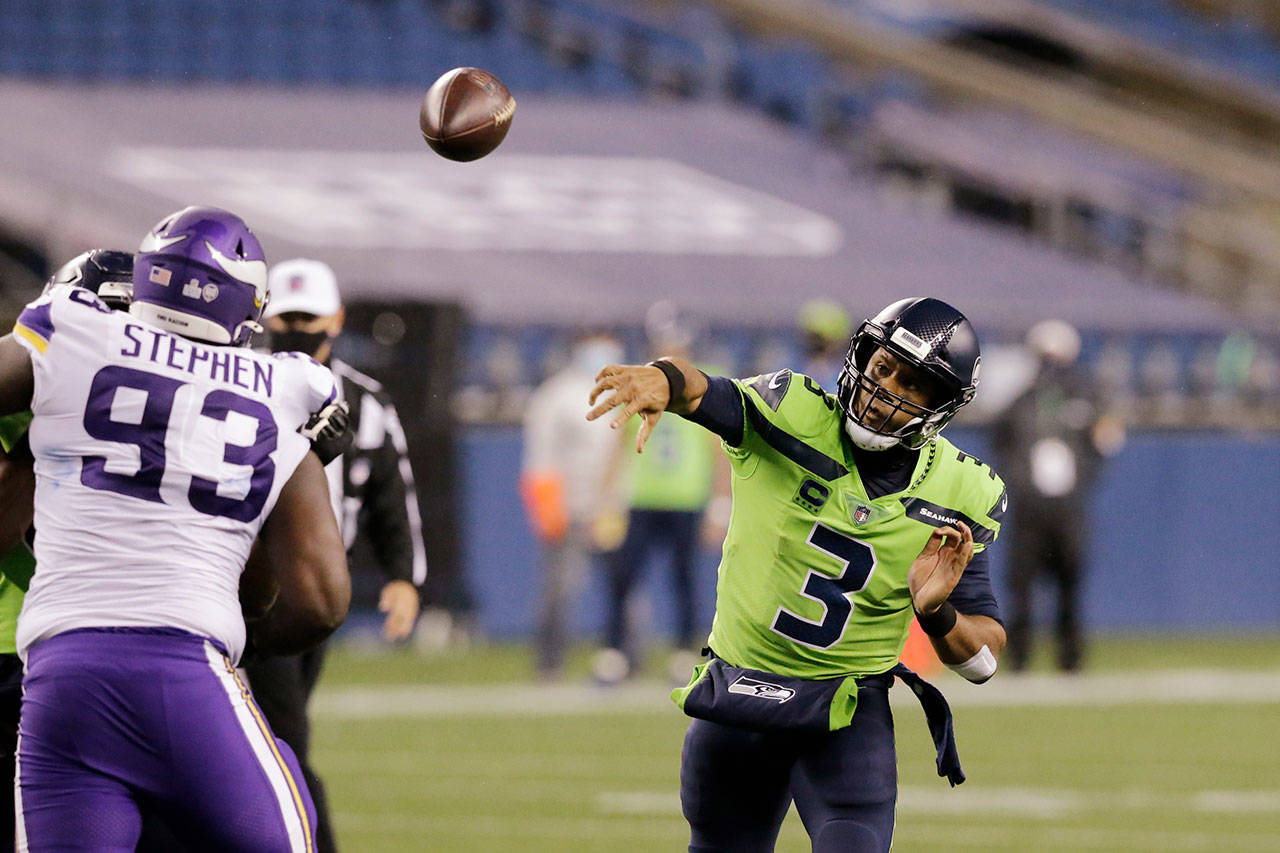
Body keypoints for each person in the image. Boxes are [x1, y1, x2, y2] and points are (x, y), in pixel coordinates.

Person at [588, 297, 1008, 853]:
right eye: (882, 368)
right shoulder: (791, 409)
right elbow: (701, 390)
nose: (885, 392)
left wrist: (936, 612)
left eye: (911, 385)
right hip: (740, 696)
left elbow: (983, 660)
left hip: (846, 715)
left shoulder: (961, 492)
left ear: (942, 405)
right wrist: (665, 378)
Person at [0, 206, 351, 851]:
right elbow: (323, 603)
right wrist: (244, 649)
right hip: (182, 666)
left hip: (58, 675)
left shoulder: (74, 331)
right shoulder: (289, 387)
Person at [248, 257, 427, 853]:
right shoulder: (239, 382)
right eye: (287, 316)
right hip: (251, 587)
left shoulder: (367, 402)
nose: (296, 328)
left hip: (320, 589)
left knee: (281, 728)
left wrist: (404, 577)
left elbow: (390, 495)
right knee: (282, 736)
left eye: (309, 317)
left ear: (337, 319)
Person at [595, 303, 729, 684]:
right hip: (642, 496)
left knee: (684, 581)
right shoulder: (638, 382)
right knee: (624, 577)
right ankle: (615, 652)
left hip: (686, 499)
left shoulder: (704, 386)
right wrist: (606, 500)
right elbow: (617, 442)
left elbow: (718, 450)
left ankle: (684, 652)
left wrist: (719, 506)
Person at [992, 319, 1124, 672]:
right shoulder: (1022, 400)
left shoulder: (1087, 398)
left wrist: (1084, 476)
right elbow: (1001, 439)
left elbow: (1106, 441)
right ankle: (1019, 660)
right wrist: (1018, 478)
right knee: (1022, 586)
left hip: (1068, 505)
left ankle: (1070, 659)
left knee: (1070, 582)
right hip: (1030, 505)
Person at [520, 331, 626, 679]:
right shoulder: (557, 394)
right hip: (572, 507)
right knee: (560, 590)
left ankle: (626, 659)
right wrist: (548, 506)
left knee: (626, 590)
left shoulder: (628, 389)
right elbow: (541, 456)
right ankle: (549, 662)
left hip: (613, 508)